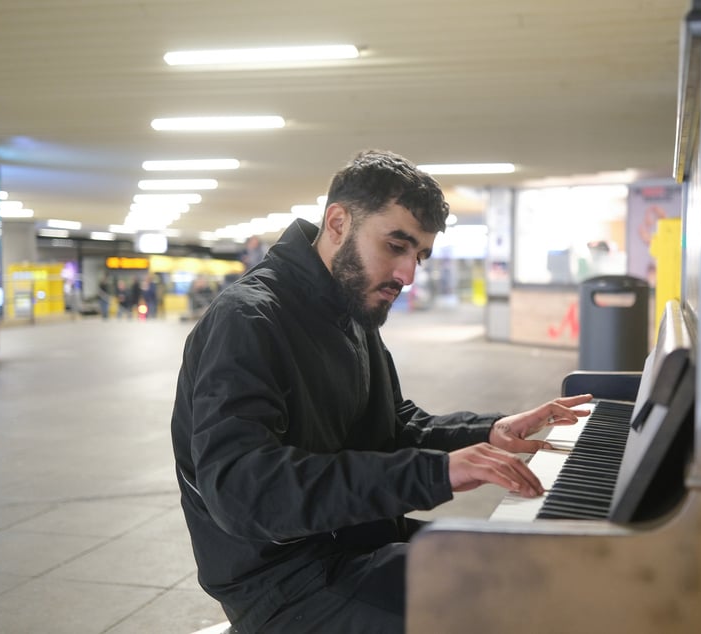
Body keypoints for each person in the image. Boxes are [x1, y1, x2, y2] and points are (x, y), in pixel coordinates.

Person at [170, 149, 593, 634]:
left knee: (530, 573)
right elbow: (244, 493)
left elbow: (392, 426)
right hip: (286, 584)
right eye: (396, 245)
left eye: (420, 255)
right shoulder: (247, 320)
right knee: (501, 615)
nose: (408, 275)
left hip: (356, 542)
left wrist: (488, 434)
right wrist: (436, 472)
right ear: (337, 223)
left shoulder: (351, 309)